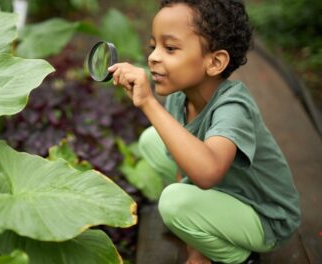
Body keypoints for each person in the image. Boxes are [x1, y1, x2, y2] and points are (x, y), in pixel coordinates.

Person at [107, 0, 301, 263]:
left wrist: (149, 103)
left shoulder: (234, 106)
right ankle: (201, 225)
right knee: (151, 140)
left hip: (265, 216)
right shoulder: (180, 98)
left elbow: (207, 173)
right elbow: (182, 167)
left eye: (171, 48)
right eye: (154, 46)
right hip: (227, 191)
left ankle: (238, 256)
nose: (153, 57)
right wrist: (191, 236)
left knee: (173, 203)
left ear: (215, 62)